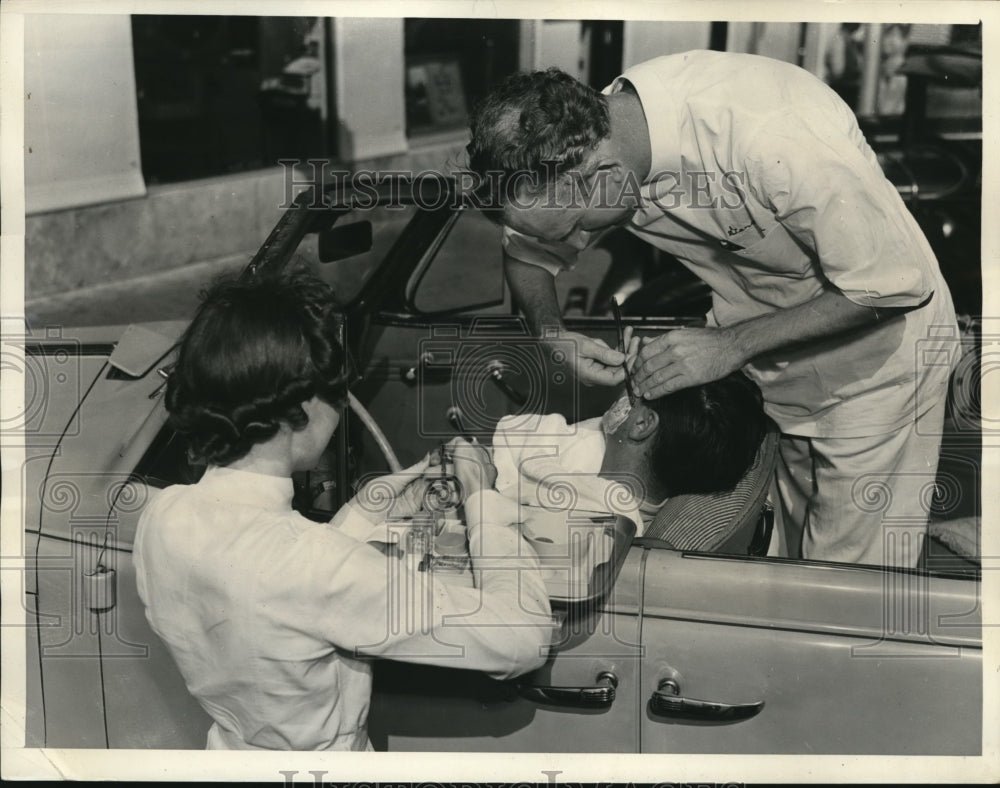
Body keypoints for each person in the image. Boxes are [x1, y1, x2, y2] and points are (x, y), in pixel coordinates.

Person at [465, 50, 959, 567]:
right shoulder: (586, 153)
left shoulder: (771, 138)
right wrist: (552, 334)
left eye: (579, 228)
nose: (577, 243)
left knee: (849, 579)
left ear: (604, 171)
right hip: (778, 357)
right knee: (785, 556)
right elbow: (527, 255)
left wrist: (731, 344)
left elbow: (895, 285)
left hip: (879, 362)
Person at [133, 271, 553, 751]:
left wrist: (376, 502)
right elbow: (522, 637)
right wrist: (482, 496)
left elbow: (279, 592)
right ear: (307, 405)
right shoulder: (312, 567)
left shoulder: (162, 516)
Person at [492, 371, 768, 537]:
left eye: (635, 392)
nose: (624, 391)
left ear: (641, 425)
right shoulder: (659, 479)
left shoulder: (582, 515)